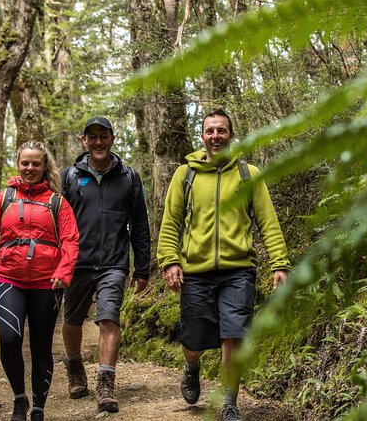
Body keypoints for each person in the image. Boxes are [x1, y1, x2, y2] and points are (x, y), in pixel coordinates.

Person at [157, 108, 291, 421]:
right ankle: (191, 366)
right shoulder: (184, 175)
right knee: (194, 340)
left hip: (238, 270)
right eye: (210, 131)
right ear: (202, 136)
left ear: (231, 135)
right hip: (196, 271)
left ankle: (230, 401)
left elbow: (268, 222)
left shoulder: (249, 174)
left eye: (221, 130)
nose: (216, 136)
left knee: (234, 334)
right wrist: (170, 261)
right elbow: (170, 222)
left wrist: (279, 264)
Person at [0, 141, 80, 421]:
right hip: (8, 278)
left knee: (40, 346)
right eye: (25, 162)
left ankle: (38, 408)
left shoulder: (57, 202)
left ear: (45, 166)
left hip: (47, 283)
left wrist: (64, 271)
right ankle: (19, 398)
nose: (30, 168)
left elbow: (71, 240)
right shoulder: (3, 199)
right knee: (10, 339)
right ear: (18, 164)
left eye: (36, 163)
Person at [60, 116, 151, 413]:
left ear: (112, 139)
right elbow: (56, 223)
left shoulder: (128, 177)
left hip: (114, 263)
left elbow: (140, 223)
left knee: (109, 319)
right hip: (77, 262)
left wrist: (143, 267)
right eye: (92, 137)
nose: (98, 142)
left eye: (103, 136)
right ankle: (74, 365)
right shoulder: (70, 176)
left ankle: (105, 382)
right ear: (84, 141)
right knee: (72, 322)